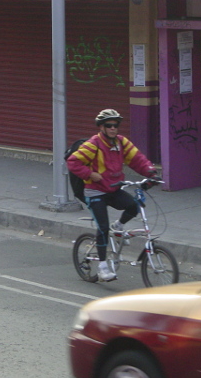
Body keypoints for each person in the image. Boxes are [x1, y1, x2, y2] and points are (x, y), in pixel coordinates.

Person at [67, 109, 158, 282]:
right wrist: (90, 174)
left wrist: (151, 173)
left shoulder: (121, 142)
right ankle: (102, 267)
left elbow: (137, 159)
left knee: (134, 205)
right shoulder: (94, 144)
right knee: (103, 227)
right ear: (101, 127)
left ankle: (119, 225)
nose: (113, 129)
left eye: (116, 125)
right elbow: (73, 161)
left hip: (113, 188)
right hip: (95, 191)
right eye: (109, 125)